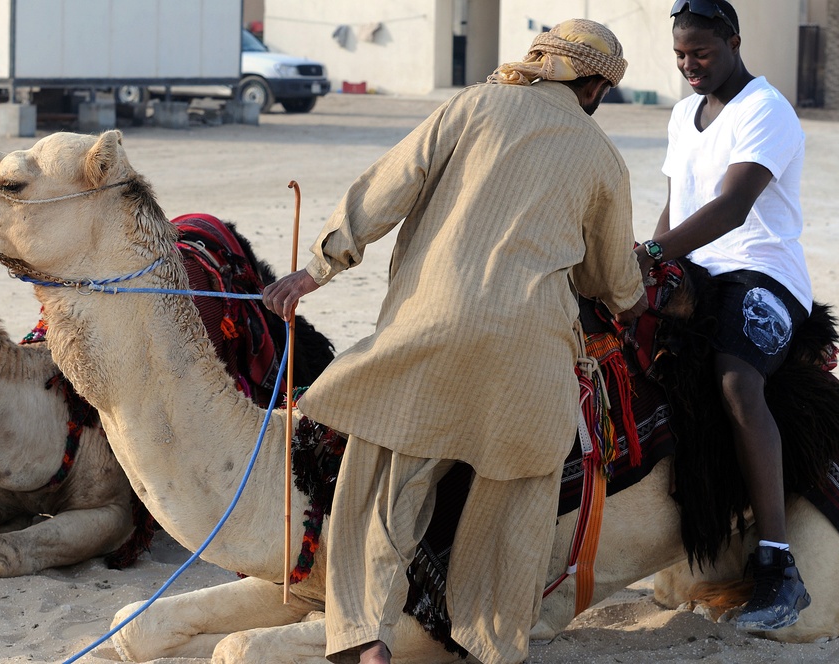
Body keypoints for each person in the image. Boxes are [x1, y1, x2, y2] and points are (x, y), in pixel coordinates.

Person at [264, 19, 647, 664]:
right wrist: (638, 305)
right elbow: (613, 281)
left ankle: (366, 638)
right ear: (594, 88)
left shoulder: (470, 105)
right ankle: (490, 644)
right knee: (519, 493)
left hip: (430, 331)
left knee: (382, 484)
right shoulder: (601, 156)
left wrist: (318, 268)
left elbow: (390, 184)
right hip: (531, 353)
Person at [637, 0, 812, 632]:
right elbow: (675, 204)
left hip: (762, 273)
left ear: (734, 42)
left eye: (702, 53)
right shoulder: (685, 112)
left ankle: (778, 566)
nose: (689, 65)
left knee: (737, 381)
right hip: (695, 267)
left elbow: (734, 207)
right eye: (681, 54)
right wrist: (648, 267)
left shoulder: (767, 111)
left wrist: (654, 252)